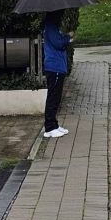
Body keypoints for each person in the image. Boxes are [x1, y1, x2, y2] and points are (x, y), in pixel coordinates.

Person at [42, 10, 73, 138]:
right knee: (53, 97)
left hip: (57, 67)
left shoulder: (53, 27)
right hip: (54, 67)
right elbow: (59, 43)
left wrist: (65, 37)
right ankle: (49, 127)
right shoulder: (50, 27)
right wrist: (68, 37)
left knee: (56, 97)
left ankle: (54, 124)